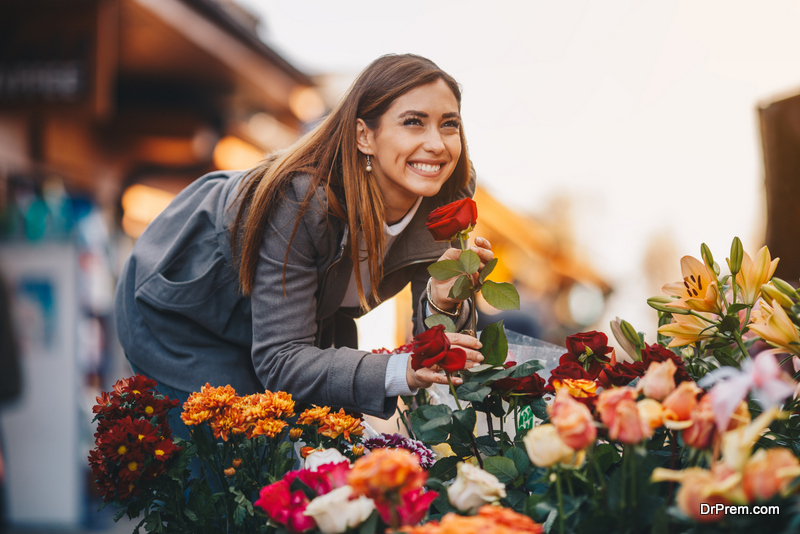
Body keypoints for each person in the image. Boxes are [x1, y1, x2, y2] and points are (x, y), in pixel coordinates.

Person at [114, 54, 493, 421]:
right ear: (364, 136)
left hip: (299, 324)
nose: (437, 144)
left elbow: (440, 350)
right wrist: (400, 370)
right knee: (238, 457)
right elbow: (281, 358)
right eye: (414, 122)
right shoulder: (301, 199)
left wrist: (443, 303)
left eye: (449, 124)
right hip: (185, 313)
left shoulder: (448, 194)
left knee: (319, 447)